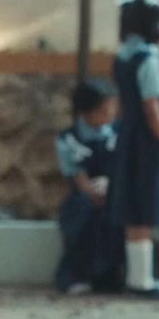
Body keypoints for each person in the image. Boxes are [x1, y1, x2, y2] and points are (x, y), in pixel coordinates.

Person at [108, 0, 159, 299]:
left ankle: (137, 277)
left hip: (127, 137)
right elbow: (153, 109)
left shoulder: (123, 57)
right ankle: (142, 283)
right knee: (144, 208)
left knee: (133, 207)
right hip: (146, 142)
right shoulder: (149, 59)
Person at [53, 80, 123, 295]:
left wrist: (111, 185)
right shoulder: (68, 139)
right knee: (82, 216)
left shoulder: (119, 133)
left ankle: (109, 277)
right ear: (85, 112)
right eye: (103, 110)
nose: (110, 114)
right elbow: (76, 173)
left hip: (115, 191)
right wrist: (91, 192)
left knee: (115, 217)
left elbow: (124, 166)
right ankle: (73, 276)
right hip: (84, 194)